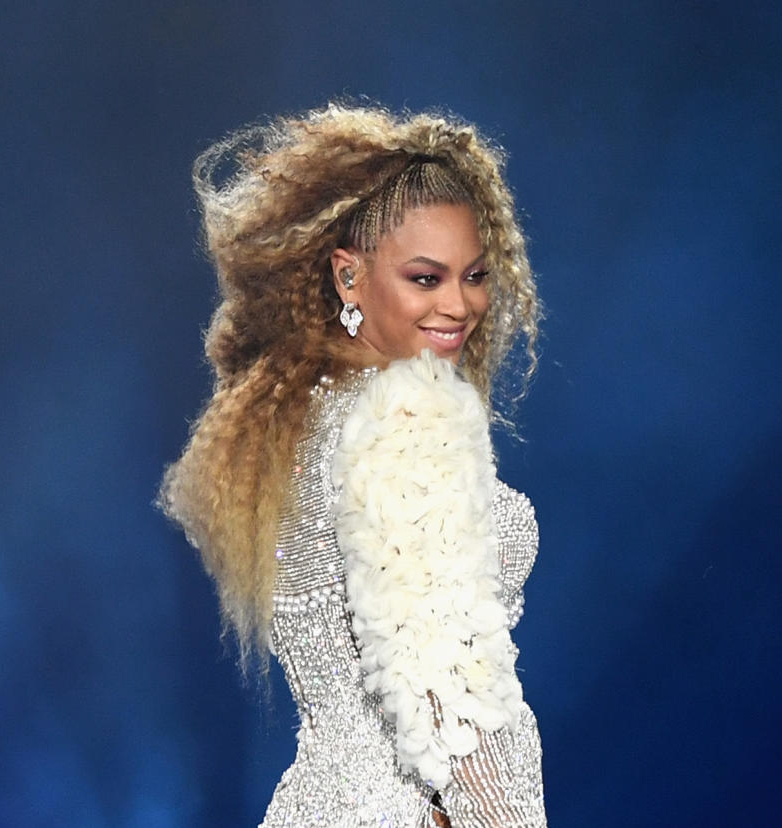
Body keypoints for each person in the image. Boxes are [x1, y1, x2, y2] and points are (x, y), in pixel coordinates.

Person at [160, 103, 546, 827]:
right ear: (348, 276)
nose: (460, 305)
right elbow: (461, 716)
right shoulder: (405, 424)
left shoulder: (297, 419)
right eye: (426, 279)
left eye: (475, 275)